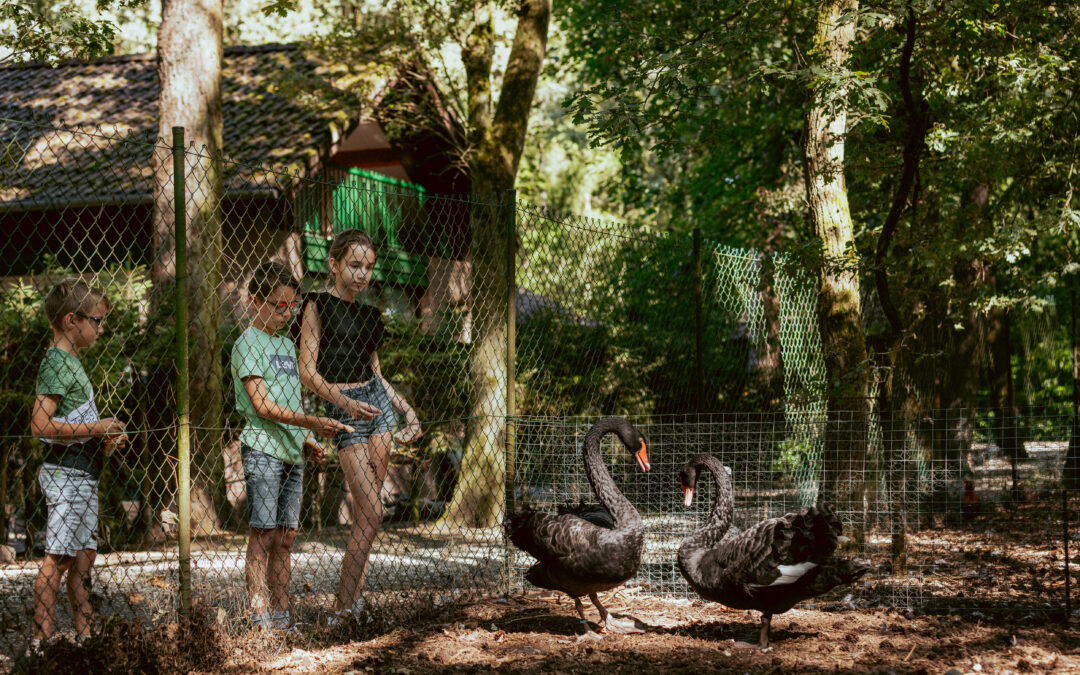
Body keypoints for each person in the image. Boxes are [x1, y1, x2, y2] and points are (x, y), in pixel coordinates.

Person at [298, 229, 422, 621]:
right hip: (346, 412)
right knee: (371, 512)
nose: (362, 274)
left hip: (378, 408)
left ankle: (354, 603)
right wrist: (343, 403)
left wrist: (405, 409)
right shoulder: (315, 306)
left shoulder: (370, 314)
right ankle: (341, 608)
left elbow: (377, 375)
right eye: (354, 265)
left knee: (368, 521)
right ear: (334, 264)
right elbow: (306, 372)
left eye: (368, 267)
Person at [232, 261, 350, 631]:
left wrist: (307, 438)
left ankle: (282, 618)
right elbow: (263, 406)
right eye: (277, 305)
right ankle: (259, 616)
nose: (286, 314)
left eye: (292, 307)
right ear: (254, 301)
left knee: (286, 536)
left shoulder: (285, 342)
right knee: (263, 534)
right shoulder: (248, 342)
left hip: (291, 452)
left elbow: (292, 401)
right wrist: (313, 423)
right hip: (263, 449)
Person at [29, 278, 128, 649]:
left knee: (84, 558)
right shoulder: (56, 363)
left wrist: (103, 440)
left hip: (83, 474)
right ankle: (41, 645)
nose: (100, 328)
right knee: (58, 558)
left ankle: (87, 641)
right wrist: (96, 427)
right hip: (65, 474)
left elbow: (74, 425)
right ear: (72, 320)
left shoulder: (71, 364)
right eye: (97, 321)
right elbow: (40, 425)